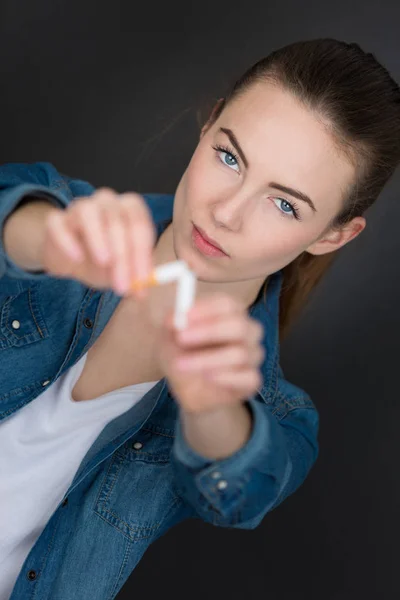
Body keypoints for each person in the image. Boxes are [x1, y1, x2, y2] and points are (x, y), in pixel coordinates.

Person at [0, 37, 399, 600]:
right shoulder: (67, 214)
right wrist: (45, 239)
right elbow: (12, 207)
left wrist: (212, 406)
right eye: (230, 157)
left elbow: (241, 487)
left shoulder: (277, 414)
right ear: (208, 125)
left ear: (334, 235)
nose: (225, 212)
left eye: (284, 204)